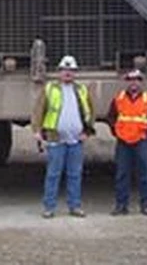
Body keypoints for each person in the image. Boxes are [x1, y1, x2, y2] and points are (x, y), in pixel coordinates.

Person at [31, 55, 96, 218]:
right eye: (65, 70)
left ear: (75, 73)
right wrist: (37, 130)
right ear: (59, 72)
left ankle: (75, 206)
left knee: (75, 174)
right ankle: (49, 207)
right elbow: (39, 110)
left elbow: (90, 112)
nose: (68, 73)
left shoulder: (82, 90)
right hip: (55, 138)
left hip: (76, 140)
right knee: (53, 174)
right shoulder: (50, 89)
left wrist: (87, 131)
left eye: (71, 70)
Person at [107, 68, 147, 216]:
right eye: (130, 80)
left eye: (137, 80)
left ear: (141, 82)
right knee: (122, 174)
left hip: (141, 141)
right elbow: (111, 117)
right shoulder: (118, 98)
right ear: (127, 82)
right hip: (123, 141)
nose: (134, 83)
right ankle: (121, 205)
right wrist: (116, 132)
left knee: (144, 174)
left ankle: (146, 204)